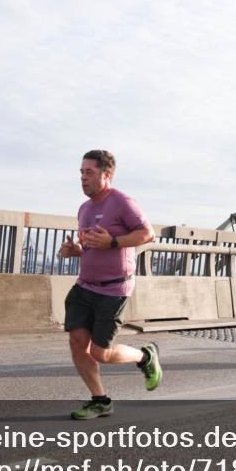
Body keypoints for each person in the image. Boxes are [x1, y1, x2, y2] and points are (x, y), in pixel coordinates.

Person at [58, 149, 161, 419]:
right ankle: (100, 399)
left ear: (107, 174)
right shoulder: (84, 209)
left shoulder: (123, 202)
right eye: (81, 172)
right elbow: (92, 245)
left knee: (100, 353)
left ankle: (145, 357)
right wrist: (76, 250)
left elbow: (147, 233)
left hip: (114, 288)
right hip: (84, 286)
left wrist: (113, 242)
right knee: (77, 342)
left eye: (89, 172)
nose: (83, 178)